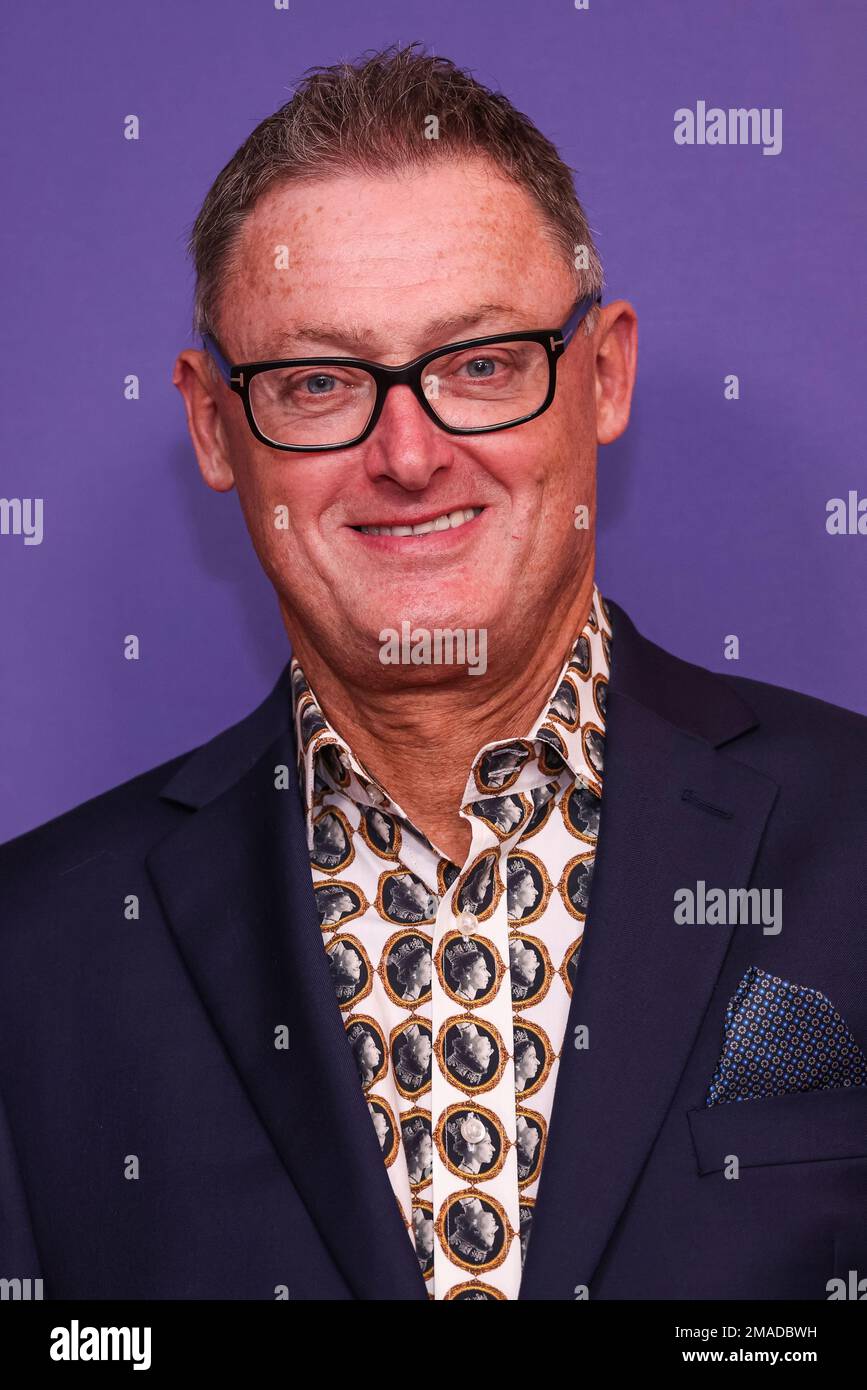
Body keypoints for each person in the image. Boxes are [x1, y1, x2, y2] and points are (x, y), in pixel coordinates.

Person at [1, 42, 865, 1303]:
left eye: (480, 365)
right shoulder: (34, 957)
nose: (408, 455)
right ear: (212, 426)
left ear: (604, 374)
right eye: (316, 381)